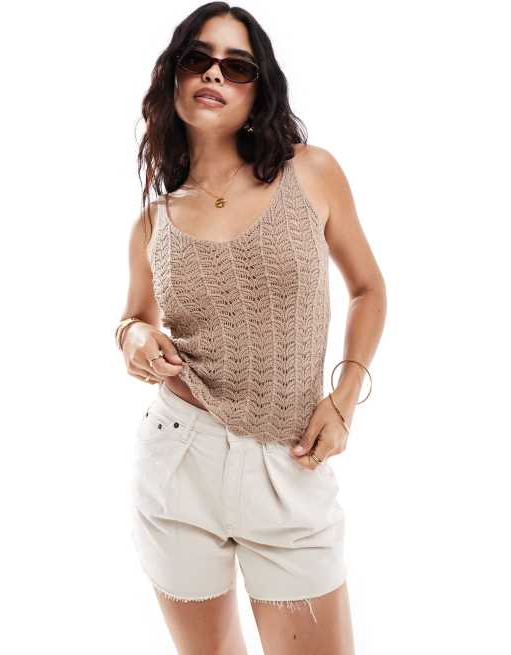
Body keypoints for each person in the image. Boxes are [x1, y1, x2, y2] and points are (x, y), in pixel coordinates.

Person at [116, 3, 386, 654]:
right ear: (174, 76)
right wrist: (133, 339)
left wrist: (344, 399)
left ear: (259, 90)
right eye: (197, 59)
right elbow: (132, 318)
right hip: (179, 459)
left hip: (291, 461)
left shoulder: (310, 172)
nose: (214, 74)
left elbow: (368, 290)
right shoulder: (154, 220)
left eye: (236, 66)